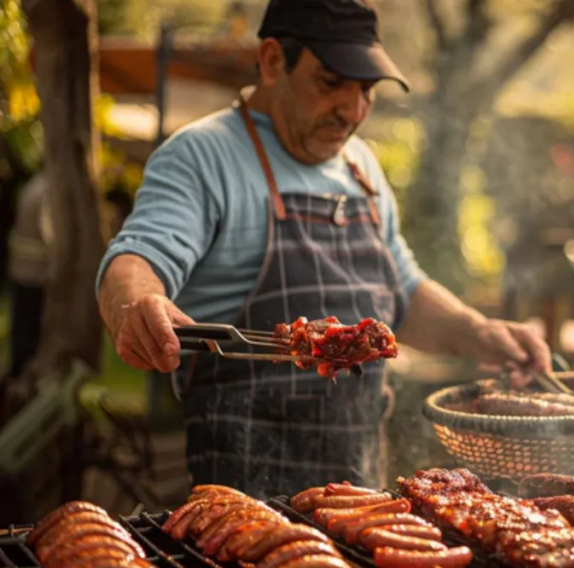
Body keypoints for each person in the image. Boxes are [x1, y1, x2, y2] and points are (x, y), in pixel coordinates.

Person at [95, 0, 549, 498]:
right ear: (272, 61)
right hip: (245, 500)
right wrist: (135, 304)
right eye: (331, 83)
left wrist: (480, 333)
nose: (352, 111)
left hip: (359, 497)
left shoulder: (361, 166)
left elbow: (402, 292)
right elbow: (140, 254)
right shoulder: (202, 156)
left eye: (366, 91)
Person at [5, 172, 51, 382]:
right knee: (30, 332)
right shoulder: (47, 193)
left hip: (21, 271)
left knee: (20, 328)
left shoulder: (32, 186)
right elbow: (48, 234)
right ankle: (22, 381)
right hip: (36, 274)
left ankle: (17, 376)